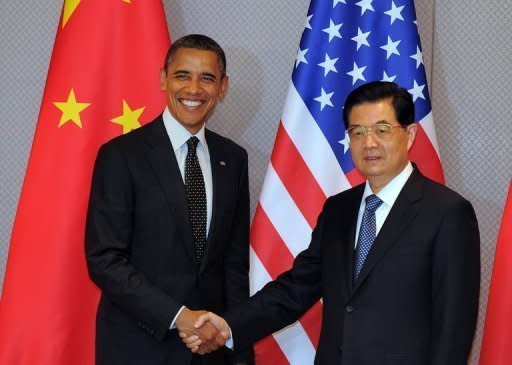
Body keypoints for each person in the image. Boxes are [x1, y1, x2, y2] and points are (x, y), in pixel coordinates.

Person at [182, 81, 480, 364]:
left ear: (410, 134)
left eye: (382, 129)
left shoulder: (447, 213)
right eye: (358, 132)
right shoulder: (339, 209)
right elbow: (297, 288)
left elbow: (453, 327)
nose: (369, 143)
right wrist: (227, 325)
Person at [85, 34, 254, 365]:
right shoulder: (121, 156)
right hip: (138, 349)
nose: (193, 89)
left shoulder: (233, 159)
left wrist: (239, 349)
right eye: (182, 75)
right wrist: (179, 316)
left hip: (210, 351)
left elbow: (234, 266)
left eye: (207, 78)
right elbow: (105, 259)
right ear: (163, 79)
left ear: (223, 87)